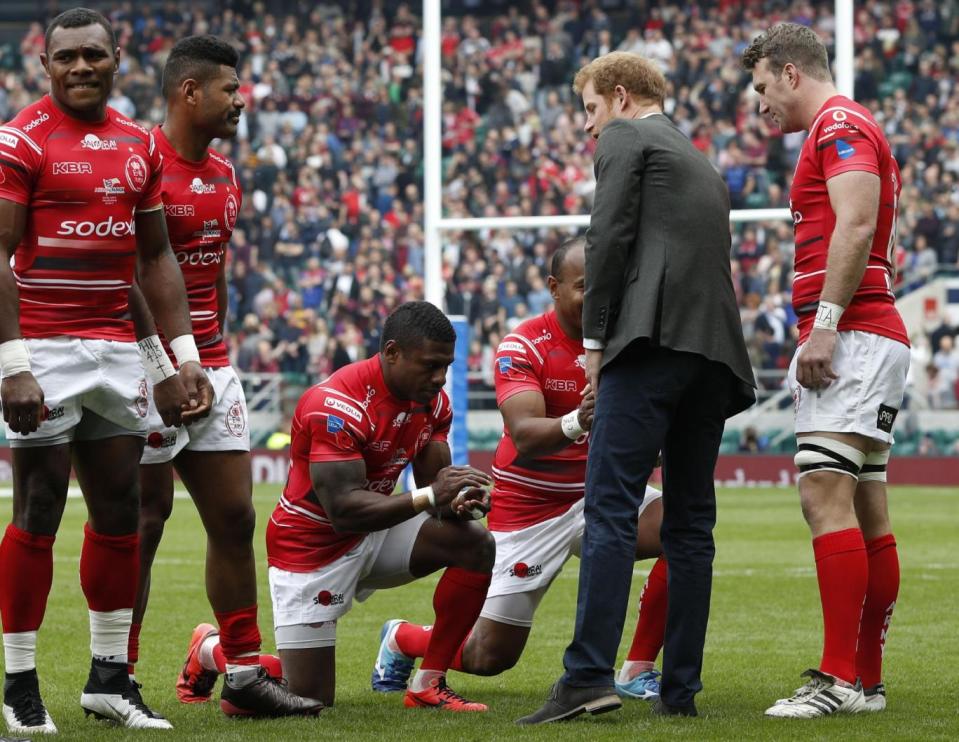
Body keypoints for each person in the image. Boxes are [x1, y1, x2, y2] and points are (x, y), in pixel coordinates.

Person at [520, 51, 755, 724]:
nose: (590, 128)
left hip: (648, 344)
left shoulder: (627, 136)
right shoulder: (697, 158)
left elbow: (608, 235)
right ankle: (678, 690)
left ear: (618, 96)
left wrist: (593, 344)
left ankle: (586, 677)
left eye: (590, 109)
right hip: (711, 356)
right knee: (690, 524)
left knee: (611, 510)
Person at [0, 8, 213, 734]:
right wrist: (14, 366)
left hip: (119, 351)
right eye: (68, 58)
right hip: (46, 351)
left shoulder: (139, 145)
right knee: (37, 508)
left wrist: (178, 362)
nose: (81, 67)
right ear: (46, 64)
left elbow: (154, 260)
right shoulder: (21, 139)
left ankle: (108, 682)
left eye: (94, 55)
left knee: (121, 510)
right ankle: (20, 685)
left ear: (118, 57)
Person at [372, 238, 669, 701]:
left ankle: (636, 668)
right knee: (490, 657)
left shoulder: (626, 342)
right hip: (531, 509)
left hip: (602, 493)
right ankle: (404, 637)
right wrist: (579, 419)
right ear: (553, 287)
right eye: (584, 287)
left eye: (605, 286)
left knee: (683, 530)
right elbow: (526, 436)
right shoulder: (525, 344)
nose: (598, 298)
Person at [126, 36, 321, 719]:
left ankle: (241, 673)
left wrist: (215, 357)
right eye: (230, 90)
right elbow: (126, 277)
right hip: (148, 372)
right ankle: (117, 672)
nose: (240, 101)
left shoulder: (228, 176)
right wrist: (164, 366)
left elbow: (220, 273)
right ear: (189, 93)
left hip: (212, 366)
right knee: (144, 522)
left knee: (236, 518)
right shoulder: (141, 166)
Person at [742, 23, 909, 718]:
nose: (758, 108)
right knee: (864, 505)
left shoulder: (838, 123)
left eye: (760, 90)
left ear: (788, 72)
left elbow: (856, 219)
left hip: (855, 332)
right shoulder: (843, 126)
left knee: (822, 495)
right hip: (870, 329)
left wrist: (825, 324)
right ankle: (863, 680)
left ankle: (837, 678)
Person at [264, 301, 496, 711]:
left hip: (377, 531)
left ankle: (428, 683)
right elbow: (343, 510)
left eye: (446, 365)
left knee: (473, 542)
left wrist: (460, 501)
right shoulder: (335, 405)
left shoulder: (432, 402)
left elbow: (434, 489)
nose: (440, 377)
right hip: (313, 546)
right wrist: (430, 497)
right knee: (310, 700)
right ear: (391, 353)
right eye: (430, 365)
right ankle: (214, 652)